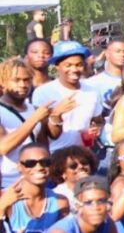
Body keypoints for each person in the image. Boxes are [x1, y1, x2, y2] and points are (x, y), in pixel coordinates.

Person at [0, 57, 72, 188]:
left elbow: (47, 139)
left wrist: (56, 116)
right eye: (16, 80)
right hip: (9, 183)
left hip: (37, 180)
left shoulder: (32, 108)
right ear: (3, 82)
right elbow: (3, 147)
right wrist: (34, 119)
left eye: (26, 80)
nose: (22, 85)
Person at [31, 40, 103, 152]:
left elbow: (98, 120)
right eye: (68, 65)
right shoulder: (43, 92)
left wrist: (97, 128)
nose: (74, 70)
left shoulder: (92, 91)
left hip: (83, 154)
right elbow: (42, 134)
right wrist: (57, 113)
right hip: (55, 155)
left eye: (79, 65)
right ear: (57, 66)